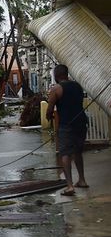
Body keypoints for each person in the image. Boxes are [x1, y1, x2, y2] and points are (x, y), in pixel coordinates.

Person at [46, 64, 89, 196]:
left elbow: (49, 109)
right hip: (81, 123)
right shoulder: (77, 86)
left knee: (65, 154)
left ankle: (70, 186)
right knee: (78, 152)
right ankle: (82, 180)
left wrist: (49, 117)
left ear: (56, 76)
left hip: (66, 125)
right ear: (66, 74)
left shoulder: (56, 89)